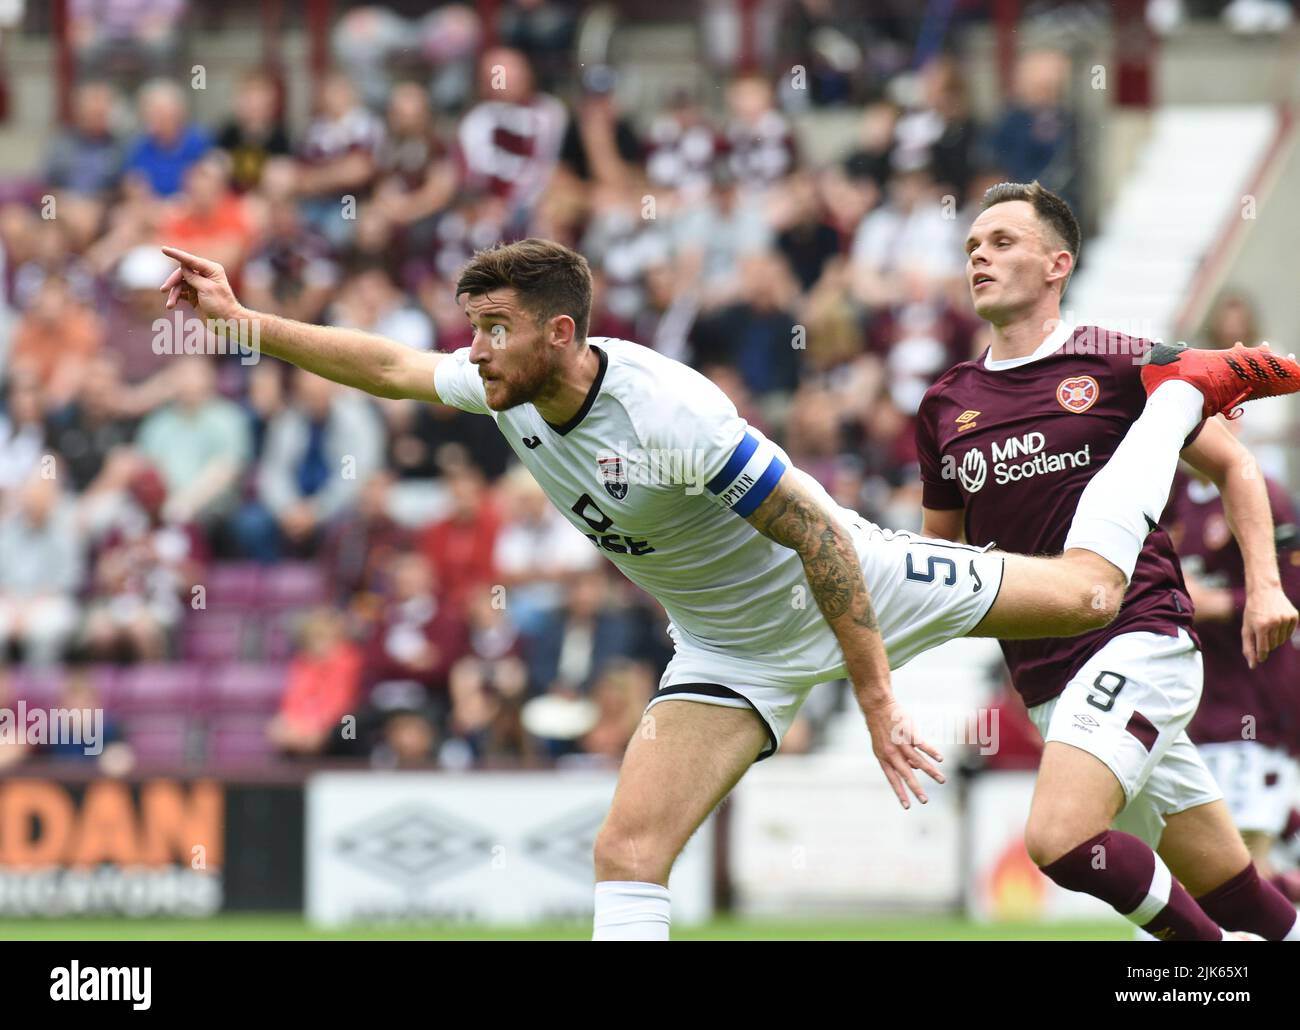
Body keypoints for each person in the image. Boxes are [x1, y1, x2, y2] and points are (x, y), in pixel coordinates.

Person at [158, 233, 1300, 942]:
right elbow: (395, 367)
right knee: (625, 852)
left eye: (495, 330)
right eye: (473, 330)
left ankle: (1173, 398)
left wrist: (874, 698)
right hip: (723, 646)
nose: (475, 349)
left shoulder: (669, 415)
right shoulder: (500, 385)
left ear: (562, 333)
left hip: (857, 575)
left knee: (1094, 594)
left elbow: (815, 536)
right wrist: (244, 322)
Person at [915, 180, 1300, 942]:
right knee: (1232, 886)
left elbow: (1237, 468)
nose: (979, 258)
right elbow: (942, 558)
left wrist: (1263, 586)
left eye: (1001, 243)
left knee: (1057, 838)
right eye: (971, 248)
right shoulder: (944, 406)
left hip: (1140, 637)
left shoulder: (1120, 364)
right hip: (1046, 678)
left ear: (1058, 264)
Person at [1169, 460, 1300, 902]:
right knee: (1204, 866)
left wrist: (1217, 602)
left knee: (1240, 863)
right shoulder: (1176, 494)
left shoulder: (1262, 492)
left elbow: (1294, 590)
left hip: (1254, 710)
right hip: (1194, 711)